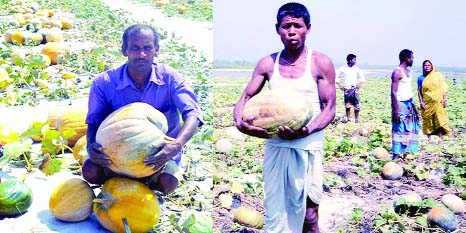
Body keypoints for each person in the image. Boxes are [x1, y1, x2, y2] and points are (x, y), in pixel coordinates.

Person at [233, 3, 336, 232]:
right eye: (286, 26)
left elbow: (330, 107)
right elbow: (245, 97)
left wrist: (306, 131)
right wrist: (241, 124)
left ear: (307, 29)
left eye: (297, 26)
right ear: (278, 29)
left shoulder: (321, 63)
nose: (291, 31)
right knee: (276, 214)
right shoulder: (267, 63)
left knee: (310, 216)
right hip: (277, 148)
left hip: (308, 147)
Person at [83, 24, 203, 194]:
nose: (142, 54)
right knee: (90, 172)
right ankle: (118, 178)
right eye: (135, 48)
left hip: (160, 154)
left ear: (156, 50)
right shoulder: (104, 82)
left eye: (147, 48)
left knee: (167, 184)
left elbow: (193, 114)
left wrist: (176, 145)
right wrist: (90, 146)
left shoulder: (170, 78)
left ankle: (143, 183)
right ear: (124, 50)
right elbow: (94, 120)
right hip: (114, 154)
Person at [390, 49, 420, 160]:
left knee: (410, 128)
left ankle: (406, 153)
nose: (413, 60)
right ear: (406, 58)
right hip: (400, 104)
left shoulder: (408, 72)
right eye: (412, 58)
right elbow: (393, 92)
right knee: (399, 129)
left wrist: (414, 107)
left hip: (408, 103)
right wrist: (395, 110)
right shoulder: (397, 72)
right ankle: (396, 155)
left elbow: (407, 90)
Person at [417, 60, 452, 140]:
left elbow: (442, 88)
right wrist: (421, 102)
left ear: (432, 66)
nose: (427, 67)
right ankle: (428, 138)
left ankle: (440, 138)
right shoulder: (420, 78)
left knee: (438, 119)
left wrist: (444, 99)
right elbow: (419, 91)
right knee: (427, 119)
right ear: (423, 67)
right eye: (425, 65)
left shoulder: (437, 76)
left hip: (438, 102)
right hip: (426, 102)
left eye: (429, 65)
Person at [336, 54, 365, 123]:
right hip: (346, 89)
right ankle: (348, 119)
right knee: (347, 106)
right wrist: (339, 84)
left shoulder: (356, 68)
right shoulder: (343, 68)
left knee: (357, 105)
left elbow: (362, 77)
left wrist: (360, 83)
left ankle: (356, 120)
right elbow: (336, 76)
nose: (355, 61)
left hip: (354, 89)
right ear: (350, 60)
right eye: (354, 60)